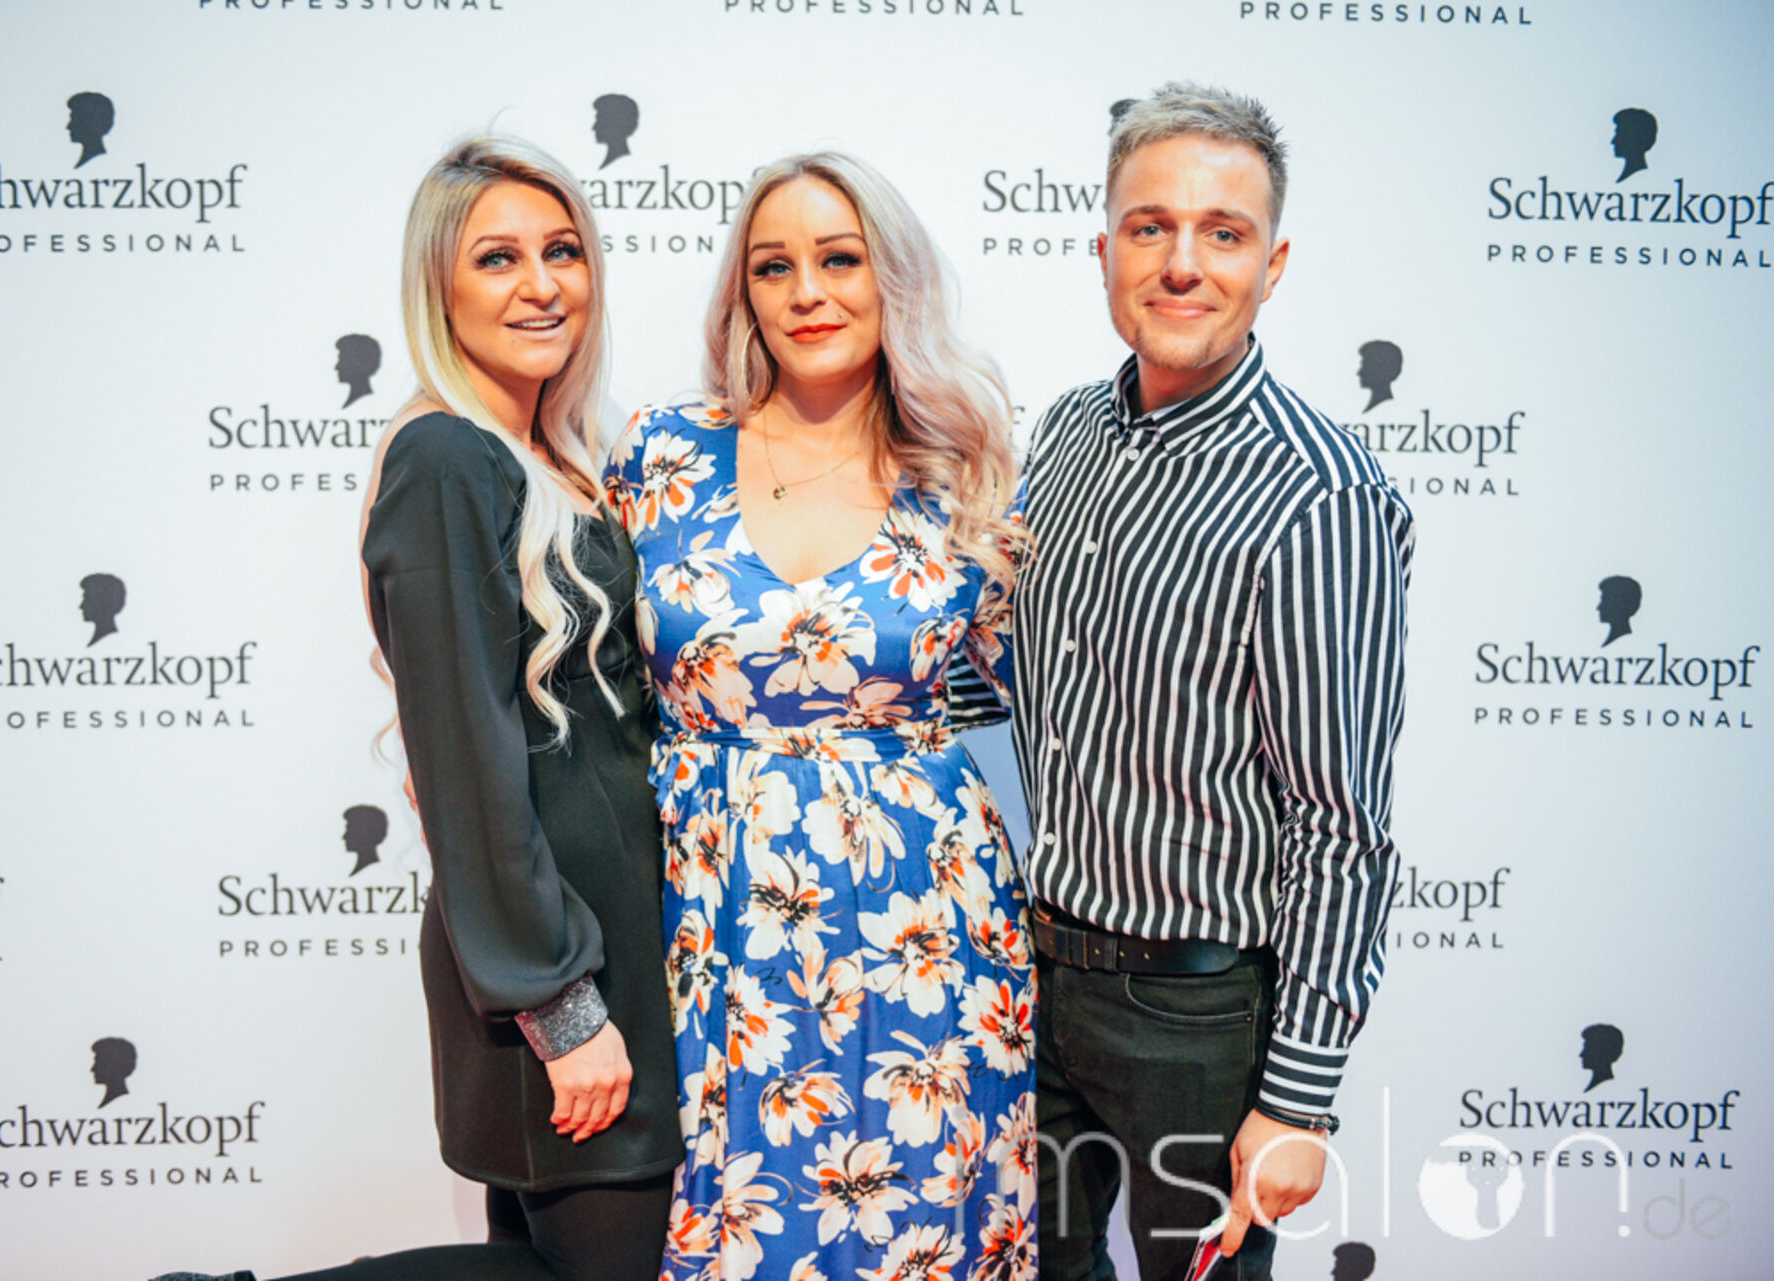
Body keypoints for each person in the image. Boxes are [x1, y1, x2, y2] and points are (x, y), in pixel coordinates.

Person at [999, 82, 1413, 1279]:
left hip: (1195, 1021)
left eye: (1221, 233)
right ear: (1105, 253)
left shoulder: (1320, 497)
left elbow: (1341, 822)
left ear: (1271, 266)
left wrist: (1298, 1098)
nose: (1182, 263)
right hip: (1030, 982)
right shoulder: (1065, 432)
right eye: (1150, 227)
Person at [603, 152, 1036, 1281]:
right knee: (732, 1225)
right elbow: (588, 689)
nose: (807, 293)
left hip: (927, 927)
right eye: (773, 267)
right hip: (710, 920)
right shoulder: (661, 452)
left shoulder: (967, 470)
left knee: (921, 1225)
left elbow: (1053, 703)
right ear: (741, 293)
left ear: (892, 276)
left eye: (839, 259)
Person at [356, 135, 682, 1281]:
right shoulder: (448, 458)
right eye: (497, 258)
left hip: (612, 953)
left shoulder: (555, 453)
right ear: (438, 288)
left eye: (563, 251)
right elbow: (467, 762)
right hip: (558, 979)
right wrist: (562, 1009)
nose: (541, 286)